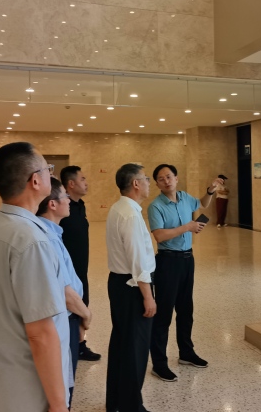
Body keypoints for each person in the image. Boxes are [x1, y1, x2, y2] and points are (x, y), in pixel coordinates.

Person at [0, 142, 70, 412]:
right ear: (35, 180)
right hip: (28, 392)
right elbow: (41, 334)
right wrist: (59, 404)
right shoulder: (31, 240)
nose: (51, 174)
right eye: (48, 169)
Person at [147, 164, 223, 382]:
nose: (166, 181)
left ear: (176, 178)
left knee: (186, 310)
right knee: (163, 314)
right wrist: (187, 227)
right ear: (157, 183)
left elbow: (202, 203)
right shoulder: (155, 206)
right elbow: (159, 236)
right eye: (161, 179)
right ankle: (159, 363)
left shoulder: (185, 197)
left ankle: (186, 353)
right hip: (167, 262)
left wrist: (210, 191)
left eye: (169, 176)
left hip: (187, 260)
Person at [37, 177, 92, 407]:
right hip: (62, 319)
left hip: (68, 318)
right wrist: (86, 315)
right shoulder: (46, 238)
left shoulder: (53, 233)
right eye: (65, 197)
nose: (69, 201)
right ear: (52, 204)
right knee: (61, 390)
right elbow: (65, 291)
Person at [106, 164, 156, 412]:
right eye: (145, 178)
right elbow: (138, 261)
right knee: (135, 348)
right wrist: (148, 296)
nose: (148, 182)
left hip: (119, 282)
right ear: (136, 184)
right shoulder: (131, 215)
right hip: (133, 286)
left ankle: (116, 401)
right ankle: (131, 406)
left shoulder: (119, 208)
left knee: (122, 344)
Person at [59, 165, 101, 361]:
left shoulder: (79, 205)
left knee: (83, 302)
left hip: (81, 267)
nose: (86, 183)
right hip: (67, 270)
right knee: (71, 308)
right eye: (82, 179)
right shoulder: (61, 206)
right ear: (71, 183)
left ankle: (80, 345)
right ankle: (69, 346)